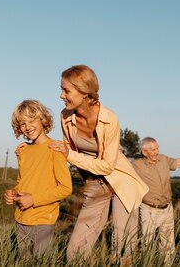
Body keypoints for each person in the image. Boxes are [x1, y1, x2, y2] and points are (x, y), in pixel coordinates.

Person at [47, 65, 149, 262]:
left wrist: (69, 154)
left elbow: (107, 166)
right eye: (61, 89)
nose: (61, 95)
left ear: (84, 92)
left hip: (120, 183)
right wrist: (33, 146)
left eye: (66, 90)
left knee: (123, 250)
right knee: (75, 250)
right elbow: (65, 148)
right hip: (95, 183)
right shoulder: (65, 116)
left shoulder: (110, 119)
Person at [3, 100, 72, 258]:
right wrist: (13, 193)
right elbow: (23, 182)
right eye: (22, 123)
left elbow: (65, 188)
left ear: (43, 120)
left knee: (41, 262)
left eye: (32, 120)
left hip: (43, 220)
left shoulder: (54, 149)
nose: (27, 127)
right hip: (21, 218)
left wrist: (34, 199)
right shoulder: (23, 151)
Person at [131, 137, 180, 264]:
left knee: (168, 245)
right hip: (149, 210)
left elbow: (178, 162)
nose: (157, 151)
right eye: (153, 149)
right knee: (147, 244)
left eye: (157, 148)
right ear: (145, 152)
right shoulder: (136, 165)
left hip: (167, 209)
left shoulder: (163, 159)